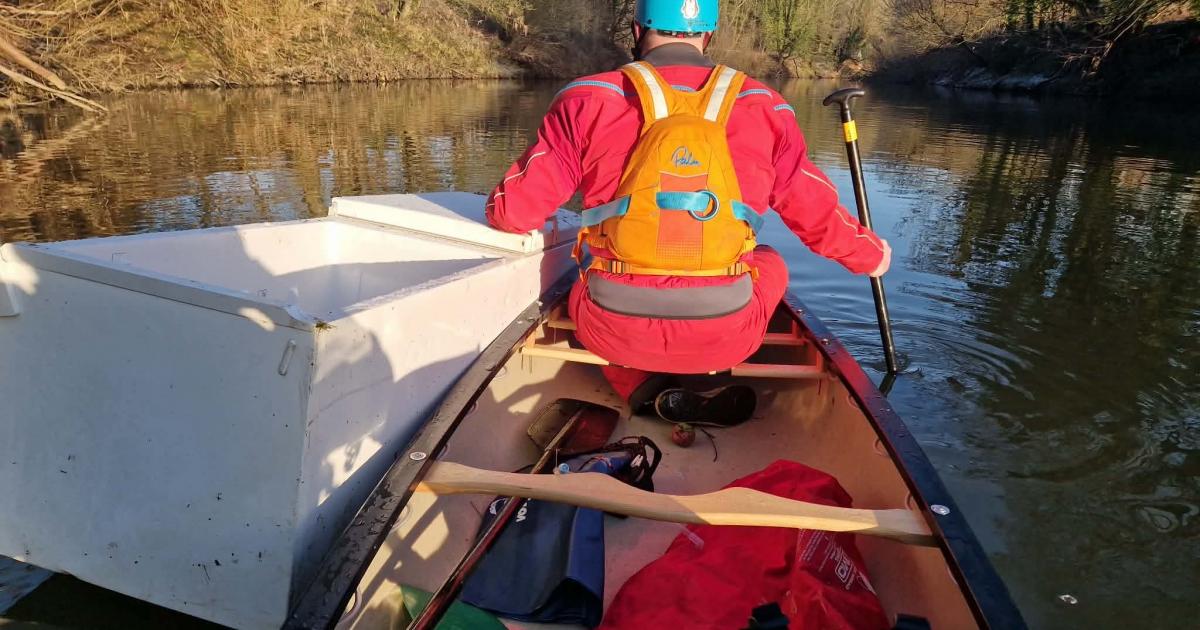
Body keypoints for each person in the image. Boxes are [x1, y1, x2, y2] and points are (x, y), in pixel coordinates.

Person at [485, 0, 890, 425]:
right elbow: (817, 215)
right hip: (729, 335)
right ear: (708, 36)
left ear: (637, 31)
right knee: (769, 259)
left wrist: (494, 205)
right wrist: (873, 256)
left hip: (609, 328)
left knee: (585, 263)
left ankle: (644, 386)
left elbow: (513, 213)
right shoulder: (767, 106)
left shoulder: (586, 99)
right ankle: (683, 377)